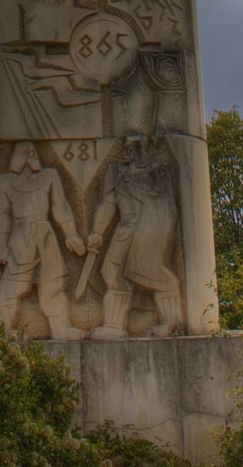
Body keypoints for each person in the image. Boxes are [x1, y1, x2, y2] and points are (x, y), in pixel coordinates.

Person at [86, 136, 183, 339]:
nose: (126, 151)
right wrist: (97, 232)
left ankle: (172, 322)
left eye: (132, 147)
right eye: (126, 147)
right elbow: (108, 204)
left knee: (154, 273)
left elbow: (167, 209)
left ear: (142, 149)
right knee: (112, 273)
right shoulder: (117, 173)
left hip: (149, 229)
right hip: (125, 228)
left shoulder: (158, 175)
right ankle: (114, 326)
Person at [0, 141, 85, 339]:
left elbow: (60, 206)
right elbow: (1, 214)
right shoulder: (6, 181)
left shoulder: (49, 176)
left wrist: (71, 234)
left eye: (34, 151)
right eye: (27, 152)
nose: (33, 154)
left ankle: (61, 329)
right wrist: (0, 245)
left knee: (53, 285)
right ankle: (0, 330)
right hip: (21, 236)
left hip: (45, 235)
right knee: (13, 286)